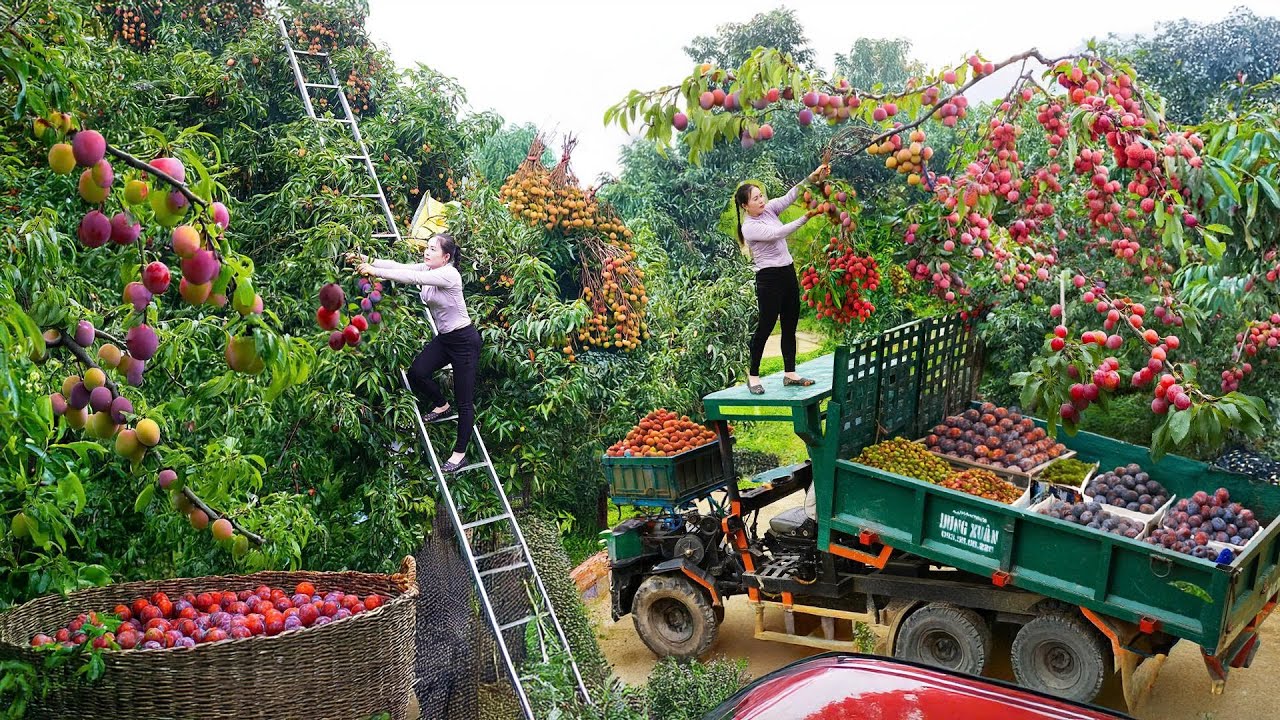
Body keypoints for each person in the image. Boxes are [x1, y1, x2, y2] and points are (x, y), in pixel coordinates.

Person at [348, 233, 481, 473]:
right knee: (417, 373)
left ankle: (459, 454)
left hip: (464, 342)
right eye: (427, 247)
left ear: (446, 257)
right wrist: (364, 259)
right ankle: (441, 404)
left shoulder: (449, 274)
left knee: (464, 401)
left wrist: (374, 272)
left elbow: (412, 278)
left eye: (433, 249)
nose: (427, 252)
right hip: (445, 339)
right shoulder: (430, 268)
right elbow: (398, 266)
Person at [736, 163, 830, 394]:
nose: (761, 200)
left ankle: (790, 373)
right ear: (745, 206)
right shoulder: (749, 228)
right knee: (766, 326)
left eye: (761, 195)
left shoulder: (769, 209)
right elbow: (777, 233)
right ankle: (753, 376)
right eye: (755, 199)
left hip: (787, 272)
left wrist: (812, 177)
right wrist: (806, 217)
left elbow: (791, 195)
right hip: (769, 279)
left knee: (790, 323)